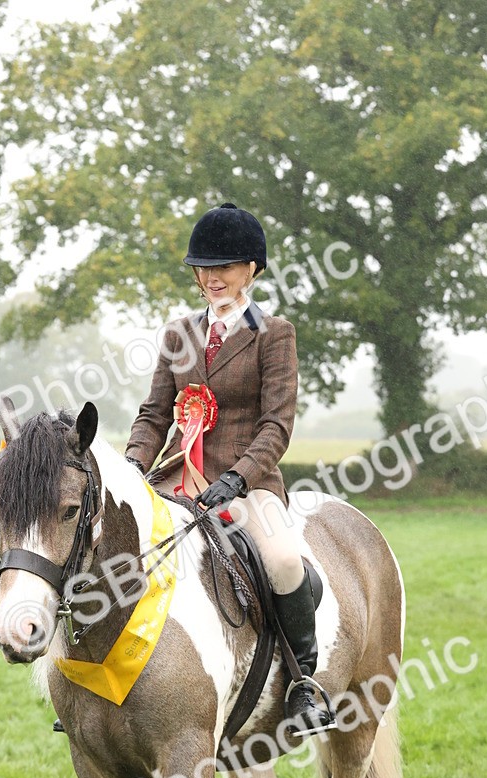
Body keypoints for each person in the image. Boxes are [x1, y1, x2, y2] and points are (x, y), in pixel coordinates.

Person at [124, 201, 334, 735]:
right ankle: (104, 687)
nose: (212, 278)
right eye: (204, 267)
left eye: (225, 267)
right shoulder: (179, 334)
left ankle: (303, 683)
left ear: (252, 270)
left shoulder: (274, 333)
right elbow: (153, 415)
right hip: (178, 476)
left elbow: (276, 426)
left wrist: (236, 479)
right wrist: (131, 469)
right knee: (115, 540)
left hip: (247, 483)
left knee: (285, 561)